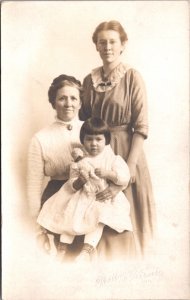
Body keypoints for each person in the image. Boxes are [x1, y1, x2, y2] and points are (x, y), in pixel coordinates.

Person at [79, 20, 156, 259]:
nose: (108, 47)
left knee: (127, 210)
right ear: (96, 46)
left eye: (113, 41)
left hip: (126, 150)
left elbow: (141, 126)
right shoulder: (89, 80)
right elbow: (83, 117)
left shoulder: (132, 77)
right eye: (102, 42)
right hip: (98, 152)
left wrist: (130, 165)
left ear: (123, 45)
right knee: (98, 206)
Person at [37, 117, 133, 262]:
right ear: (83, 140)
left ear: (106, 140)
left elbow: (124, 177)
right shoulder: (79, 163)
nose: (94, 144)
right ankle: (62, 248)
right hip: (82, 197)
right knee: (70, 216)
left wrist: (109, 174)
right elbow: (71, 184)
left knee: (99, 219)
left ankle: (86, 250)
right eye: (89, 139)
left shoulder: (113, 159)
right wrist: (79, 182)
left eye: (98, 139)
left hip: (103, 199)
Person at [27, 74, 84, 255]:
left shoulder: (91, 130)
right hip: (56, 200)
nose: (68, 103)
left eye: (73, 98)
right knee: (64, 255)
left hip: (86, 196)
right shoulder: (40, 138)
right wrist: (38, 227)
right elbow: (33, 185)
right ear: (53, 102)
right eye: (62, 98)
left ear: (80, 103)